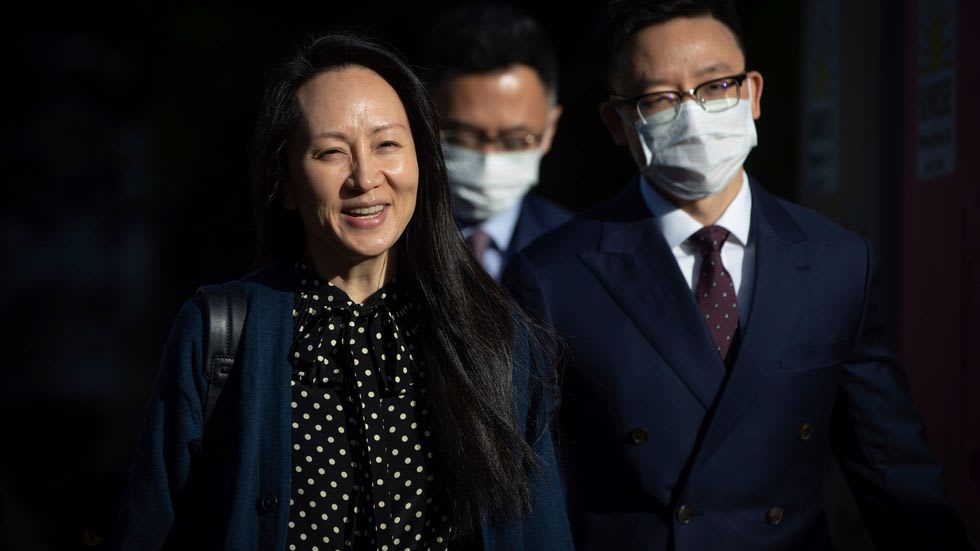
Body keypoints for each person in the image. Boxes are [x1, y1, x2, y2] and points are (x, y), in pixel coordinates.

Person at [503, 1, 974, 549]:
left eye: (716, 86)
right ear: (617, 121)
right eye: (660, 99)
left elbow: (894, 472)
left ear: (751, 92)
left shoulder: (836, 263)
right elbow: (529, 494)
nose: (694, 115)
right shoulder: (555, 275)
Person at [115, 33, 573, 551]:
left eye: (387, 145)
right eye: (331, 152)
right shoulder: (219, 333)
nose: (364, 178)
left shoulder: (494, 335)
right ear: (286, 183)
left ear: (423, 161)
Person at [422, 4, 572, 281]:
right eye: (463, 135)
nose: (488, 157)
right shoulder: (385, 241)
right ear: (426, 121)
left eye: (514, 140)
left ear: (549, 129)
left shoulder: (575, 247)